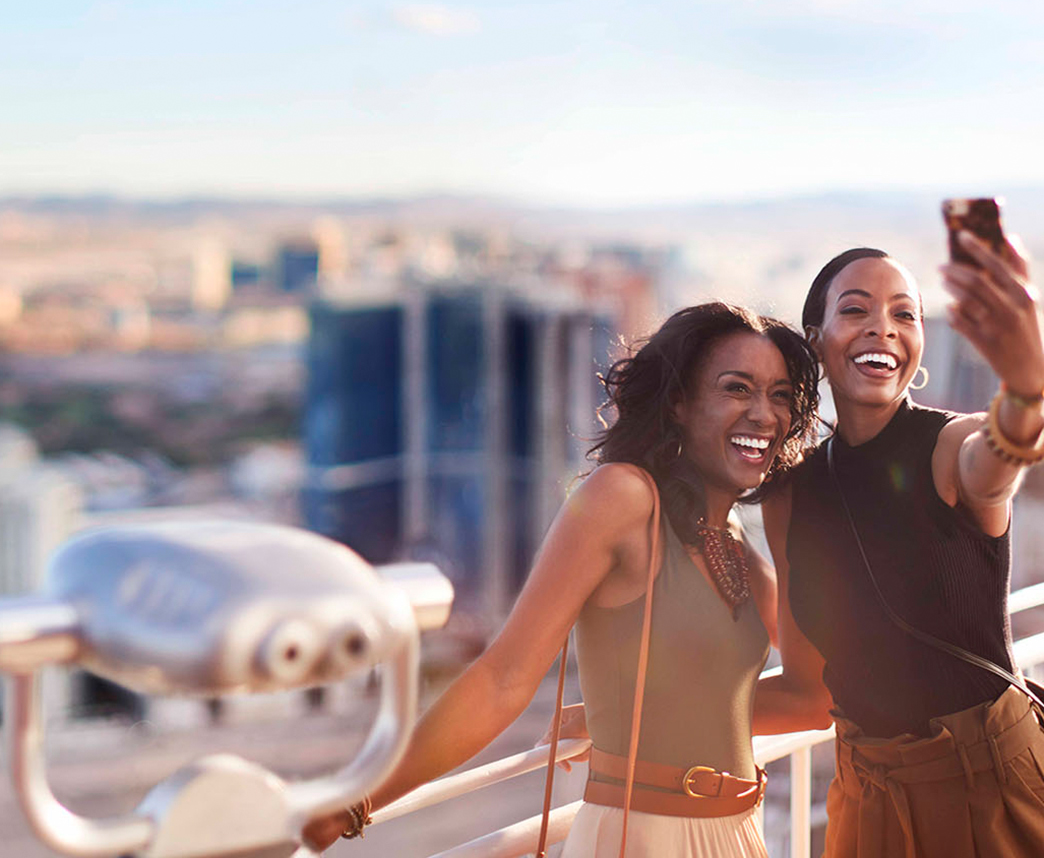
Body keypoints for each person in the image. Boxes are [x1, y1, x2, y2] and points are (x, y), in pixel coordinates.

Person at [303, 302, 822, 858]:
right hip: (645, 839)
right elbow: (503, 677)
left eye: (781, 395)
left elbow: (812, 698)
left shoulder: (735, 540)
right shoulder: (622, 497)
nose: (765, 414)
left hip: (739, 835)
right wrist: (357, 800)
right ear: (678, 403)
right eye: (737, 389)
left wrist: (634, 713)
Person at [761, 235, 1044, 857]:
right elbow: (806, 693)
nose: (883, 328)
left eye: (904, 314)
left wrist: (1026, 387)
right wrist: (632, 716)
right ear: (816, 338)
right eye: (855, 310)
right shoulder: (793, 493)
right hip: (866, 800)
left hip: (989, 791)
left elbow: (1005, 453)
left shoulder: (950, 446)